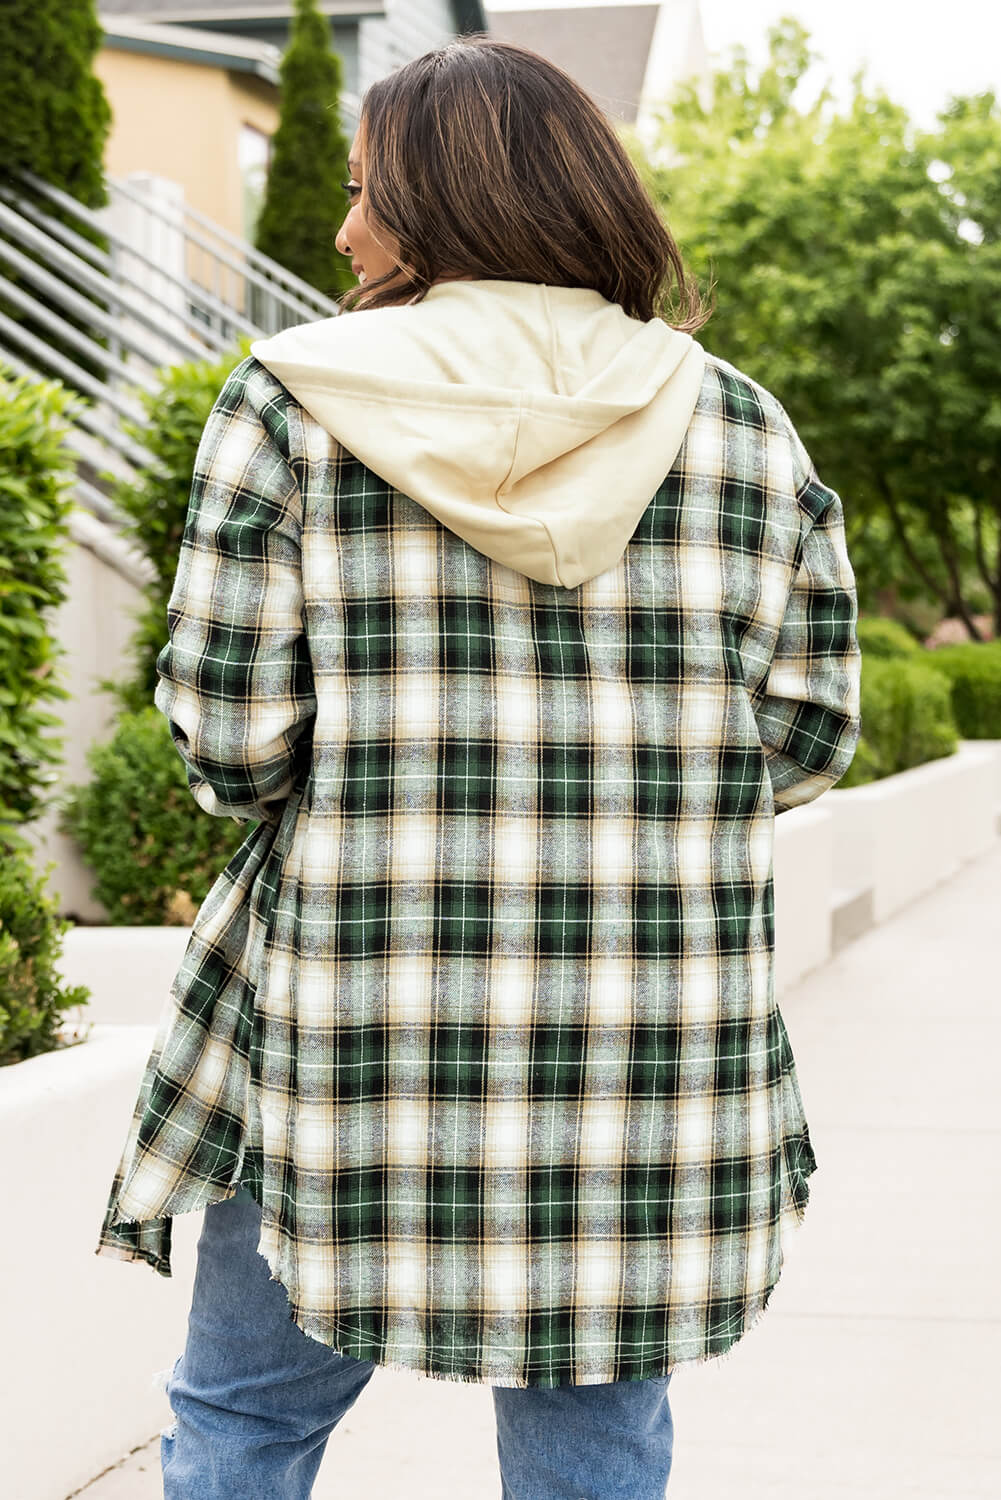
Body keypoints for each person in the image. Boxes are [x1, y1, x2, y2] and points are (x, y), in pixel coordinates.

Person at [94, 35, 861, 1500]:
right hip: (643, 1043)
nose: (340, 231)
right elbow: (808, 735)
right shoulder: (740, 427)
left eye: (362, 191)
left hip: (347, 1033)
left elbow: (230, 738)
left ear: (443, 201)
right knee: (590, 1434)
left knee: (247, 1419)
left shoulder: (289, 402)